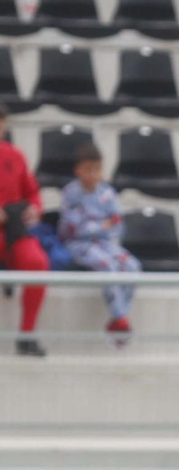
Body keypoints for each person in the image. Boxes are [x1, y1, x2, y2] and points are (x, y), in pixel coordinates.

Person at [59, 142, 140, 346]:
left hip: (104, 244)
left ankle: (118, 319)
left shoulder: (107, 193)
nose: (93, 174)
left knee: (132, 266)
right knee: (108, 266)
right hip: (78, 246)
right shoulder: (71, 193)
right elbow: (75, 229)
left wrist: (96, 226)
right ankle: (121, 320)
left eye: (97, 169)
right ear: (78, 170)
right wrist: (103, 224)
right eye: (88, 169)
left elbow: (117, 226)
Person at [0, 104, 49, 358]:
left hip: (14, 229)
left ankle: (26, 334)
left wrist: (34, 208)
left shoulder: (15, 156)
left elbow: (32, 191)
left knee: (37, 262)